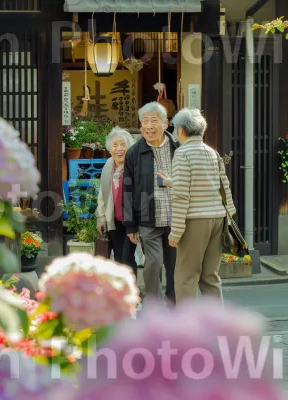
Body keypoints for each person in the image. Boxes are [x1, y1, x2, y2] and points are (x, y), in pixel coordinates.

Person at [160, 107, 236, 303]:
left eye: (176, 128)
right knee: (210, 276)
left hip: (195, 221)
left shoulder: (182, 153)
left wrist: (176, 231)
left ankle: (188, 328)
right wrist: (229, 215)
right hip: (217, 218)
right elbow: (222, 185)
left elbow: (181, 196)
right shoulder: (212, 152)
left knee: (186, 276)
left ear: (182, 131)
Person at [123, 102, 178, 304]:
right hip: (147, 218)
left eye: (154, 121)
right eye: (144, 122)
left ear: (166, 123)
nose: (149, 126)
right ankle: (154, 306)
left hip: (176, 219)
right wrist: (130, 224)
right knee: (153, 263)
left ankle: (173, 307)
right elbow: (127, 191)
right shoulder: (134, 153)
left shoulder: (177, 148)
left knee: (175, 266)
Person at [95, 127, 139, 273]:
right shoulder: (108, 165)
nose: (119, 149)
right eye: (115, 145)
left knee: (127, 258)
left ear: (129, 146)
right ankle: (122, 293)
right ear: (109, 148)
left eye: (123, 144)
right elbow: (103, 193)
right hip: (113, 220)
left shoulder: (133, 164)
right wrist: (101, 218)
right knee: (118, 259)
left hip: (131, 220)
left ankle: (132, 293)